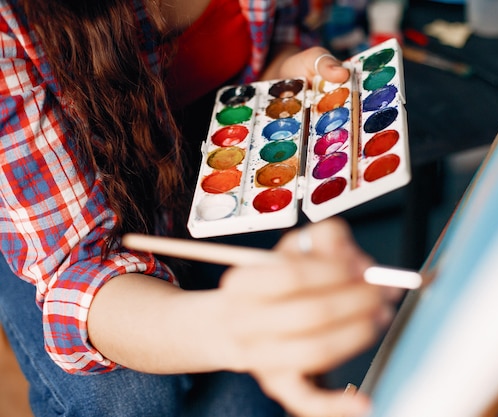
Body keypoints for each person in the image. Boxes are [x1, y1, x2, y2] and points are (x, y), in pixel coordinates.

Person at [0, 0, 401, 416]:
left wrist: (282, 77)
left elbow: (277, 37)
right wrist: (238, 330)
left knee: (245, 405)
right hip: (55, 202)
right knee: (127, 396)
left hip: (219, 162)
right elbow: (78, 271)